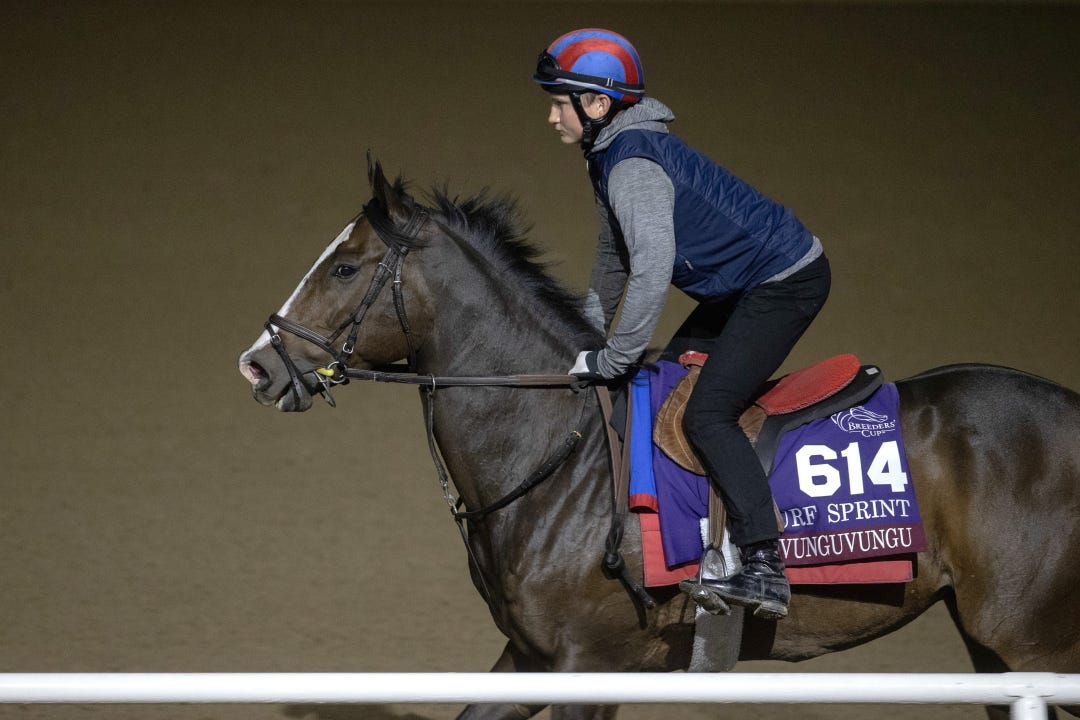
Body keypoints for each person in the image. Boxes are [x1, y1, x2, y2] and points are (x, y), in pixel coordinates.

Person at [533, 28, 831, 619]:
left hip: (784, 283)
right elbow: (614, 257)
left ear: (597, 104)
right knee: (666, 385)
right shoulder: (608, 153)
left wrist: (615, 358)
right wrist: (585, 336)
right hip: (744, 284)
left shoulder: (631, 165)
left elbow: (649, 272)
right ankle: (698, 536)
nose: (551, 117)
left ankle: (765, 566)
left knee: (706, 413)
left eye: (559, 103)